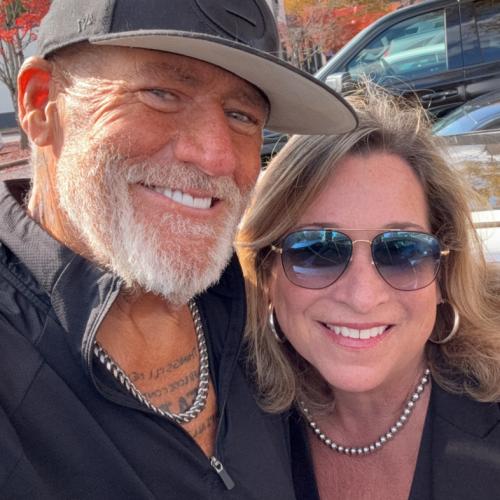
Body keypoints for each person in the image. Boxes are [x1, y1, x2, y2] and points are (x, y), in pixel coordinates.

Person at [0, 0, 357, 498]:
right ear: (41, 104)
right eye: (162, 93)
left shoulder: (257, 310)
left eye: (241, 115)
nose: (216, 156)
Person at [238, 87, 500, 500]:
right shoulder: (226, 423)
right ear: (267, 272)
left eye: (402, 251)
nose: (362, 296)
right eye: (317, 250)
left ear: (444, 274)